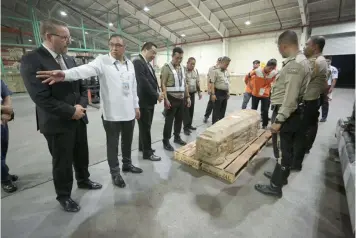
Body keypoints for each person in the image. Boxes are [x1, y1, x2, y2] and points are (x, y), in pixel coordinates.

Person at [36, 33, 143, 190]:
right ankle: (115, 172)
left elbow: (133, 87)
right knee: (112, 145)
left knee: (127, 141)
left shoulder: (130, 64)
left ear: (124, 48)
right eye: (111, 44)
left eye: (118, 45)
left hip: (129, 112)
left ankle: (127, 164)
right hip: (111, 114)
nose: (114, 48)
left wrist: (136, 106)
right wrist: (65, 74)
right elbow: (84, 70)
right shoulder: (102, 61)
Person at [20, 19, 102, 212]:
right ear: (49, 37)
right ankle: (64, 195)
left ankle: (83, 180)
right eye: (64, 37)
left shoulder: (70, 59)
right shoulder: (32, 59)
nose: (68, 41)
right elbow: (40, 97)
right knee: (62, 161)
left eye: (69, 37)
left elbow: (82, 87)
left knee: (81, 154)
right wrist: (70, 111)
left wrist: (80, 107)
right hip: (56, 122)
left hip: (78, 117)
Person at [254, 30, 311, 198]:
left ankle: (275, 186)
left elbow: (290, 97)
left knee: (281, 152)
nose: (279, 50)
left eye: (279, 47)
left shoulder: (295, 64)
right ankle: (280, 177)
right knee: (286, 150)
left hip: (286, 113)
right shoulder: (302, 61)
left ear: (284, 46)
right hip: (294, 113)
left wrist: (279, 119)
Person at [133, 42, 162, 161]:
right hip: (144, 101)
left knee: (145, 126)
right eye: (153, 52)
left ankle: (143, 147)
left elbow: (152, 80)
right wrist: (156, 95)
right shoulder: (138, 62)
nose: (154, 55)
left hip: (148, 101)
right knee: (145, 127)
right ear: (145, 50)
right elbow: (143, 82)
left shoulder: (146, 63)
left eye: (155, 53)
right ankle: (147, 152)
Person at [161, 47, 191, 151]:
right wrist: (165, 99)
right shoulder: (166, 67)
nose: (179, 60)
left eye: (181, 58)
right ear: (172, 56)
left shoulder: (182, 68)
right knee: (169, 121)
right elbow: (163, 84)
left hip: (181, 99)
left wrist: (188, 97)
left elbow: (185, 83)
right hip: (171, 98)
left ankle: (177, 137)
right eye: (177, 58)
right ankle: (166, 141)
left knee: (179, 120)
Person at [302, 36, 328, 156]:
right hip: (313, 98)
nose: (304, 47)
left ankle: (304, 148)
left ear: (315, 47)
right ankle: (306, 146)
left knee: (307, 124)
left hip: (310, 99)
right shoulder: (319, 60)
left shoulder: (317, 61)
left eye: (307, 44)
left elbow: (304, 78)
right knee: (311, 123)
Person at [250, 59, 278, 128]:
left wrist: (271, 88)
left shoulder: (274, 73)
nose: (270, 70)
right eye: (270, 68)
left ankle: (264, 125)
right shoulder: (257, 71)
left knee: (265, 110)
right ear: (267, 66)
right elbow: (248, 77)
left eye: (273, 69)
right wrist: (251, 87)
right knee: (253, 109)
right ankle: (253, 124)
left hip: (265, 94)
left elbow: (275, 82)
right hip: (255, 93)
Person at [1, 80, 18, 193]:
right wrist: (4, 109)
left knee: (3, 150)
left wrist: (7, 111)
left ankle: (3, 172)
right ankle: (4, 179)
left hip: (2, 121)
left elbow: (6, 96)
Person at [183, 57, 202, 135]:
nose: (193, 65)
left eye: (194, 64)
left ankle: (189, 125)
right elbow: (184, 84)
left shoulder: (195, 71)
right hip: (185, 94)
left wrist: (199, 92)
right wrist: (187, 96)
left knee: (191, 110)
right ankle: (185, 128)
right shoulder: (183, 71)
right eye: (191, 64)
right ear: (187, 63)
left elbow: (197, 82)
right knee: (186, 111)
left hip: (192, 93)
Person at [210, 56, 231, 124]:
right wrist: (213, 94)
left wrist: (228, 92)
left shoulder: (226, 72)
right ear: (221, 63)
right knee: (216, 111)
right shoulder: (215, 71)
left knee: (223, 110)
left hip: (224, 93)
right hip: (218, 93)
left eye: (228, 64)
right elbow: (212, 83)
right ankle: (214, 125)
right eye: (226, 64)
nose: (227, 66)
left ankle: (221, 125)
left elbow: (227, 82)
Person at [320, 56, 338, 122]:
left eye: (329, 61)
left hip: (328, 86)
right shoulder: (321, 68)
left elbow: (334, 79)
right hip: (320, 86)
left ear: (331, 61)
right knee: (317, 102)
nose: (327, 62)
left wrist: (331, 88)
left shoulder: (333, 69)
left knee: (325, 102)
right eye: (326, 60)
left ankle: (324, 117)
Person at [203, 57, 221, 123]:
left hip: (219, 90)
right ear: (217, 61)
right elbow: (209, 79)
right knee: (211, 103)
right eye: (219, 61)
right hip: (213, 89)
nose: (219, 63)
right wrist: (208, 88)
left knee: (218, 104)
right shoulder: (212, 69)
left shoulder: (222, 70)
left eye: (221, 62)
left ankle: (217, 117)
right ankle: (206, 116)